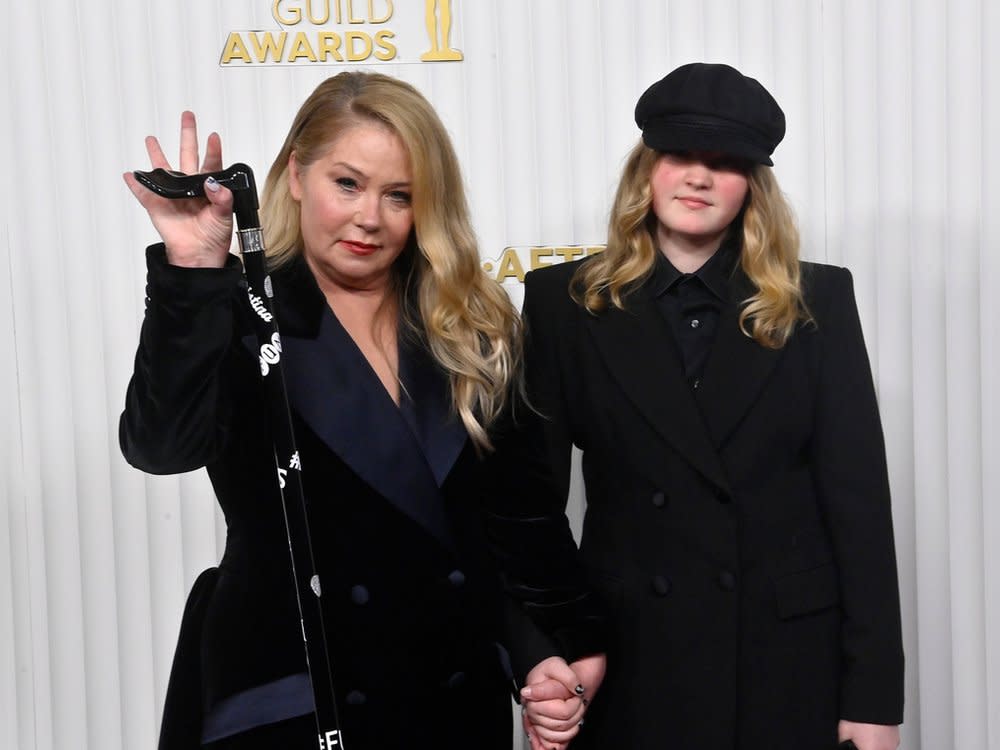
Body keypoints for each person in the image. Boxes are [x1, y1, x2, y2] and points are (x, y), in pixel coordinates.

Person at [120, 71, 603, 750]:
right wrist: (194, 272)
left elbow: (512, 521)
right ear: (295, 175)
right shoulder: (236, 313)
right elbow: (160, 447)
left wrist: (544, 649)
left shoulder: (471, 325)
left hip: (452, 698)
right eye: (346, 183)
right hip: (294, 697)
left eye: (398, 195)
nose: (369, 217)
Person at [517, 62, 904, 750]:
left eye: (724, 162)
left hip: (781, 662)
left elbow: (859, 511)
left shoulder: (817, 304)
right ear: (648, 169)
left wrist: (873, 698)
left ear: (753, 185)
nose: (699, 176)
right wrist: (543, 655)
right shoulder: (563, 304)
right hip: (625, 657)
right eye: (680, 154)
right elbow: (532, 510)